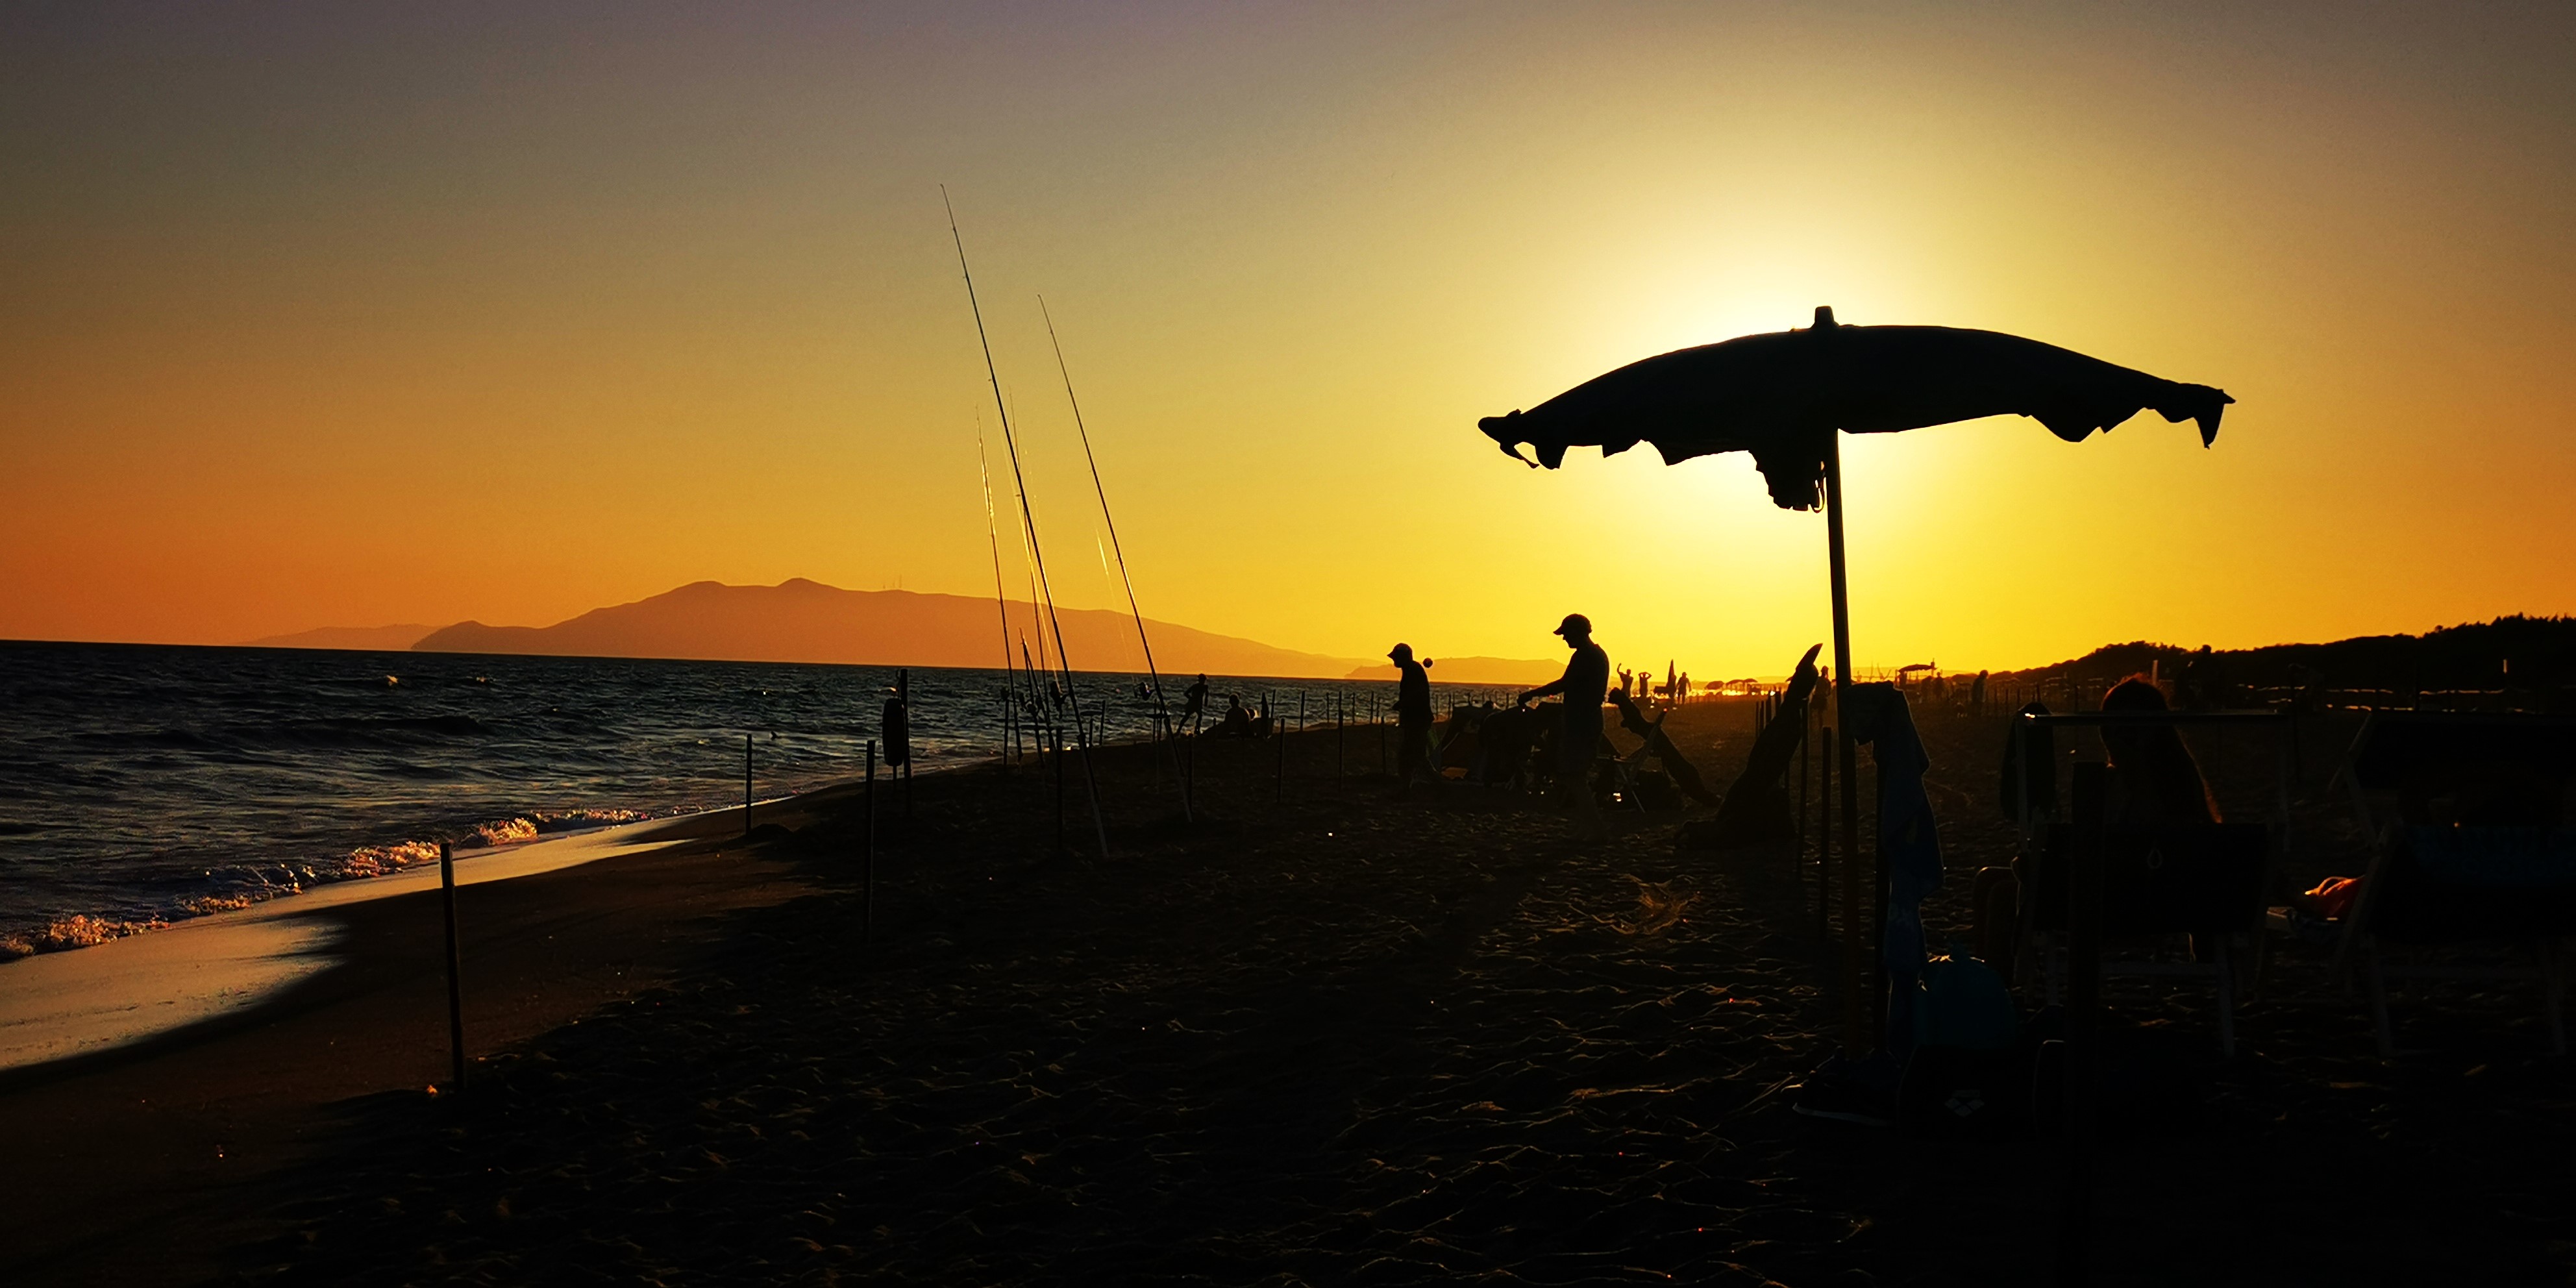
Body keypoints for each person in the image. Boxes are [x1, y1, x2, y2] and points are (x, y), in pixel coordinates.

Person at [1518, 613, 1611, 841]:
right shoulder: (1594, 655)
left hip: (1583, 721)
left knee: (1574, 776)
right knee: (1574, 776)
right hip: (1583, 720)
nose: (1564, 639)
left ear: (1579, 632)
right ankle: (1588, 827)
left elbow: (1564, 684)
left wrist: (1532, 694)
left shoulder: (1586, 656)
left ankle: (1596, 829)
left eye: (1566, 634)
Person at [1388, 643, 1436, 795]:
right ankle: (1413, 786)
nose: (1394, 660)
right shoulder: (1410, 670)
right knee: (1414, 754)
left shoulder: (1413, 670)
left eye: (1396, 657)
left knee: (1412, 754)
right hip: (1415, 719)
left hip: (1418, 720)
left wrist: (1402, 703)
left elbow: (1417, 694)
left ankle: (1434, 784)